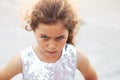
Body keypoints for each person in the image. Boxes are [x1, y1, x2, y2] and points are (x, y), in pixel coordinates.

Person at [0, 0, 97, 80]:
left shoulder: (76, 56)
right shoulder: (23, 60)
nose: (52, 46)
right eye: (44, 37)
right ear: (34, 30)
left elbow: (91, 77)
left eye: (60, 38)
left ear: (69, 32)